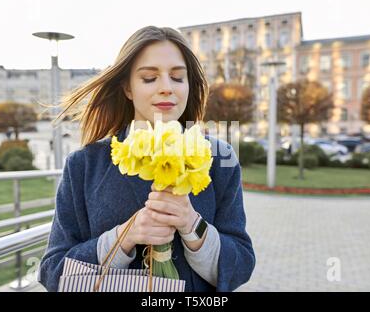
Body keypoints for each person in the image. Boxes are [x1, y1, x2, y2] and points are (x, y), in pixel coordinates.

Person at [38, 26, 255, 292]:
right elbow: (52, 273)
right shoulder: (84, 166)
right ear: (128, 88)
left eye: (177, 77)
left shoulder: (220, 159)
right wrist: (123, 238)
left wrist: (192, 226)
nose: (166, 88)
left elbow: (242, 264)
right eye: (150, 78)